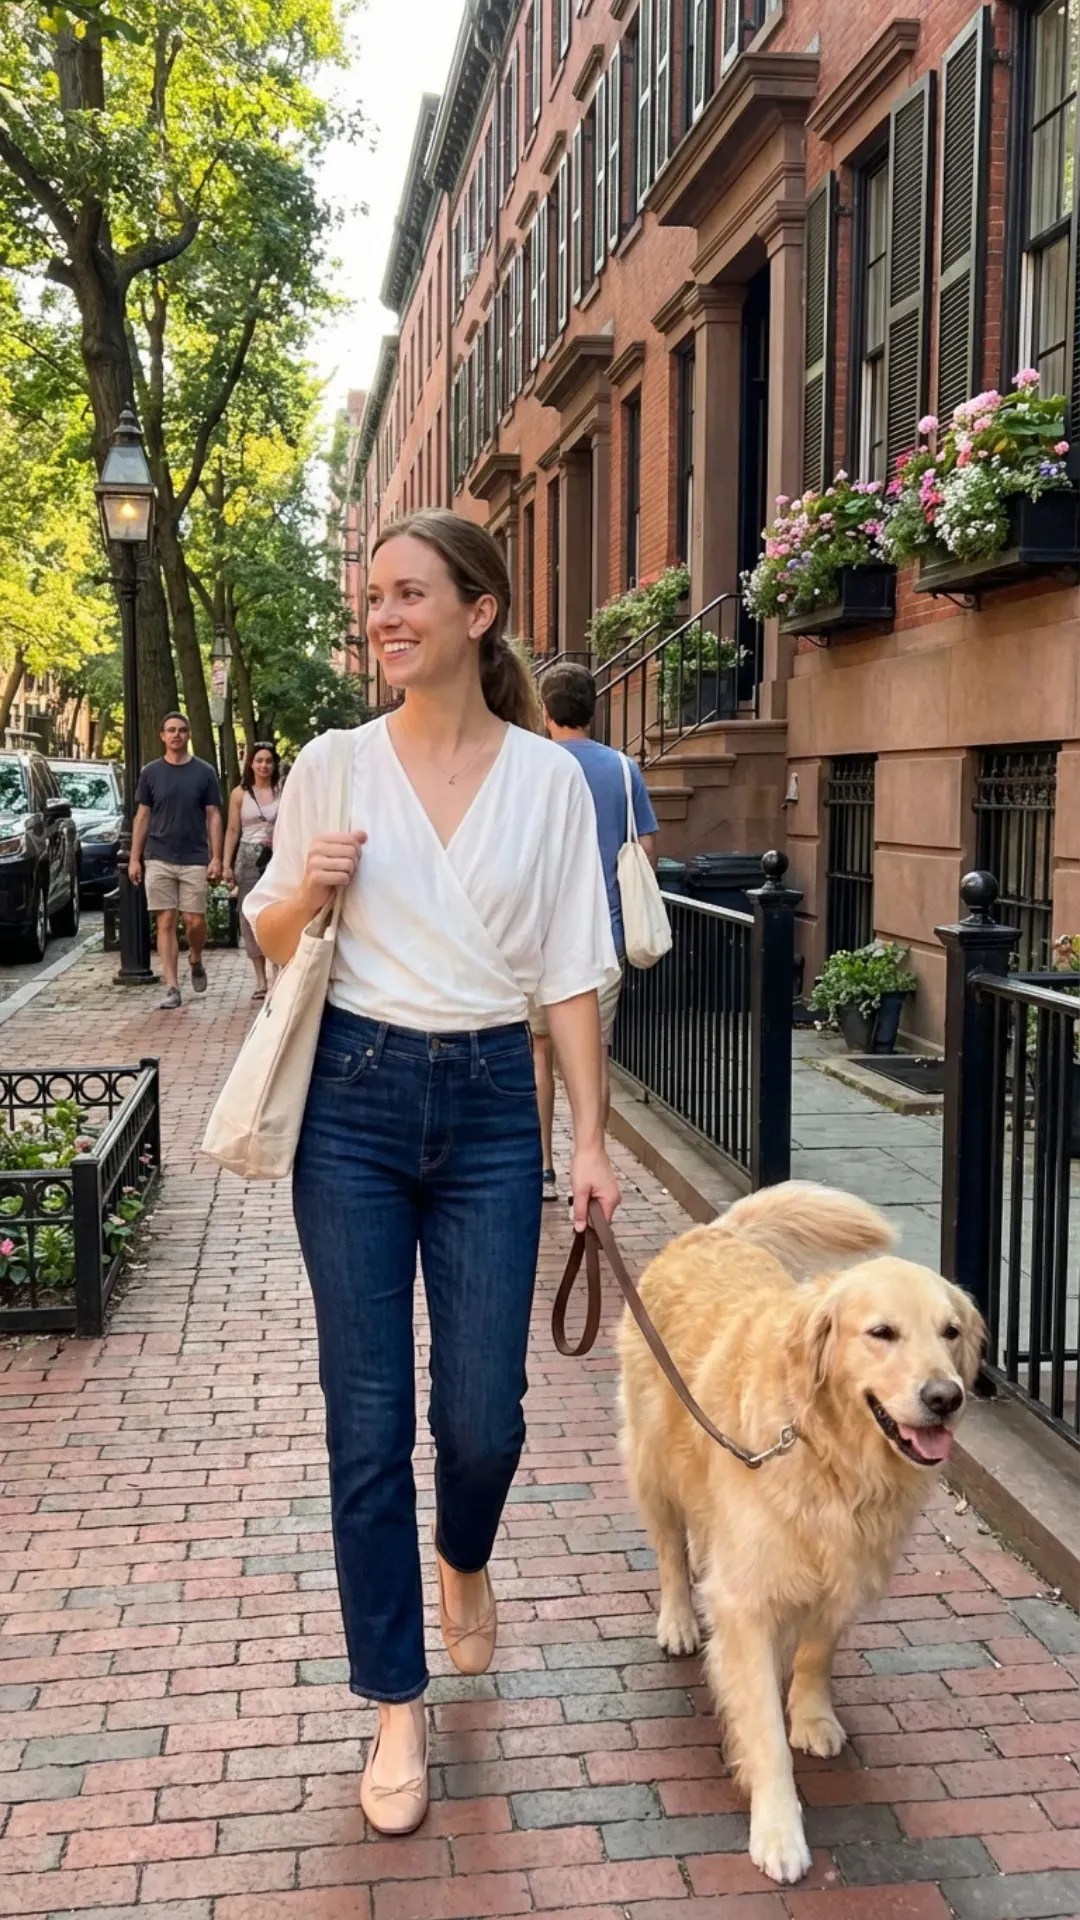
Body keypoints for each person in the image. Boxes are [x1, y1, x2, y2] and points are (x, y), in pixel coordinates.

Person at [244, 509, 621, 1838]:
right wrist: (308, 890)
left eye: (412, 594)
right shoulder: (334, 767)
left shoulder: (547, 782)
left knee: (484, 1417)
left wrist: (593, 1136)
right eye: (375, 601)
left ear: (482, 610)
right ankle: (394, 1704)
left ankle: (467, 1555)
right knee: (364, 1419)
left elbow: (574, 968)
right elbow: (268, 936)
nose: (387, 617)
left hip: (487, 1110)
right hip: (350, 1102)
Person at [529, 661, 658, 1200]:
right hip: (602, 939)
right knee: (594, 1054)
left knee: (538, 1050)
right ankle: (593, 1151)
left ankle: (543, 1167)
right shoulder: (625, 770)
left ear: (545, 711)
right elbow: (645, 850)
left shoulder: (531, 767)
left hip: (535, 940)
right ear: (592, 709)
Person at [129, 712, 223, 1011]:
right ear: (162, 735)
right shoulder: (150, 773)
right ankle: (172, 986)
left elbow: (213, 815)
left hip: (195, 857)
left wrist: (216, 858)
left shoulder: (204, 772)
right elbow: (142, 816)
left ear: (189, 734)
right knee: (166, 921)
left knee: (194, 921)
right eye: (171, 730)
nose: (176, 735)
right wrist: (134, 858)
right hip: (158, 856)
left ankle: (195, 957)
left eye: (182, 730)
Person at [223, 742, 282, 1001]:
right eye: (259, 760)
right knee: (249, 916)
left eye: (268, 761)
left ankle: (278, 971)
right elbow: (233, 830)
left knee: (278, 911)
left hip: (277, 856)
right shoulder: (239, 794)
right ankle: (260, 978)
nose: (264, 765)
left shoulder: (283, 790)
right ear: (251, 763)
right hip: (247, 857)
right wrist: (225, 863)